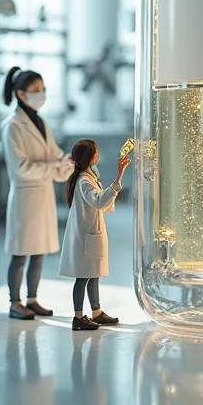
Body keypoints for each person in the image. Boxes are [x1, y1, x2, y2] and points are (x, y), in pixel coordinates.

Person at [2, 66, 73, 320]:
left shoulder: (41, 123)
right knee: (20, 254)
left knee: (39, 252)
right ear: (20, 94)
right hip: (24, 198)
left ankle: (32, 299)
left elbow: (54, 156)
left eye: (42, 90)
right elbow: (22, 169)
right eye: (35, 91)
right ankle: (14, 302)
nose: (41, 94)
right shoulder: (12, 127)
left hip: (42, 197)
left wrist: (66, 164)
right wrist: (55, 166)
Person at [59, 139, 131, 331]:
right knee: (83, 277)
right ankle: (78, 317)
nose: (98, 155)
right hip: (85, 237)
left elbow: (102, 205)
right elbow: (99, 202)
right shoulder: (84, 181)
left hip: (90, 234)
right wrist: (119, 177)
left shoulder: (90, 177)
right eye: (96, 152)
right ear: (89, 157)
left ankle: (96, 312)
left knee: (93, 274)